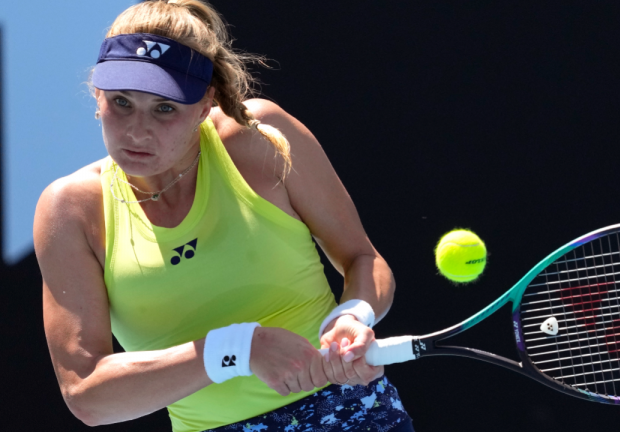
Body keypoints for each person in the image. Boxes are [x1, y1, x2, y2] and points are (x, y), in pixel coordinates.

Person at [33, 1, 414, 431]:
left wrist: (353, 315)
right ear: (96, 96)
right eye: (122, 102)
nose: (137, 130)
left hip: (352, 414)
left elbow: (364, 259)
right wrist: (236, 349)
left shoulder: (261, 138)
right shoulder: (69, 210)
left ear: (205, 104)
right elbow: (88, 395)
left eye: (164, 109)